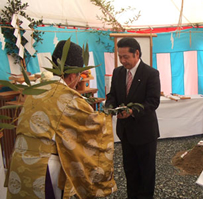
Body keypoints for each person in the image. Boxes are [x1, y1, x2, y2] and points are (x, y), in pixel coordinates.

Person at [5, 40, 117, 198]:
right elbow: (93, 127)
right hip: (43, 167)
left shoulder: (35, 89)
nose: (78, 82)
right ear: (72, 76)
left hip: (19, 160)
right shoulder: (68, 98)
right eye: (79, 77)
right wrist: (107, 115)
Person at [105, 37, 161, 199]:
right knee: (130, 169)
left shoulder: (150, 73)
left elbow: (153, 102)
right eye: (120, 56)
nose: (122, 61)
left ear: (137, 54)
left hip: (144, 132)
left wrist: (132, 112)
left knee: (146, 171)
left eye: (126, 57)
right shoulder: (118, 72)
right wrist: (109, 106)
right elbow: (112, 95)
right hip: (125, 131)